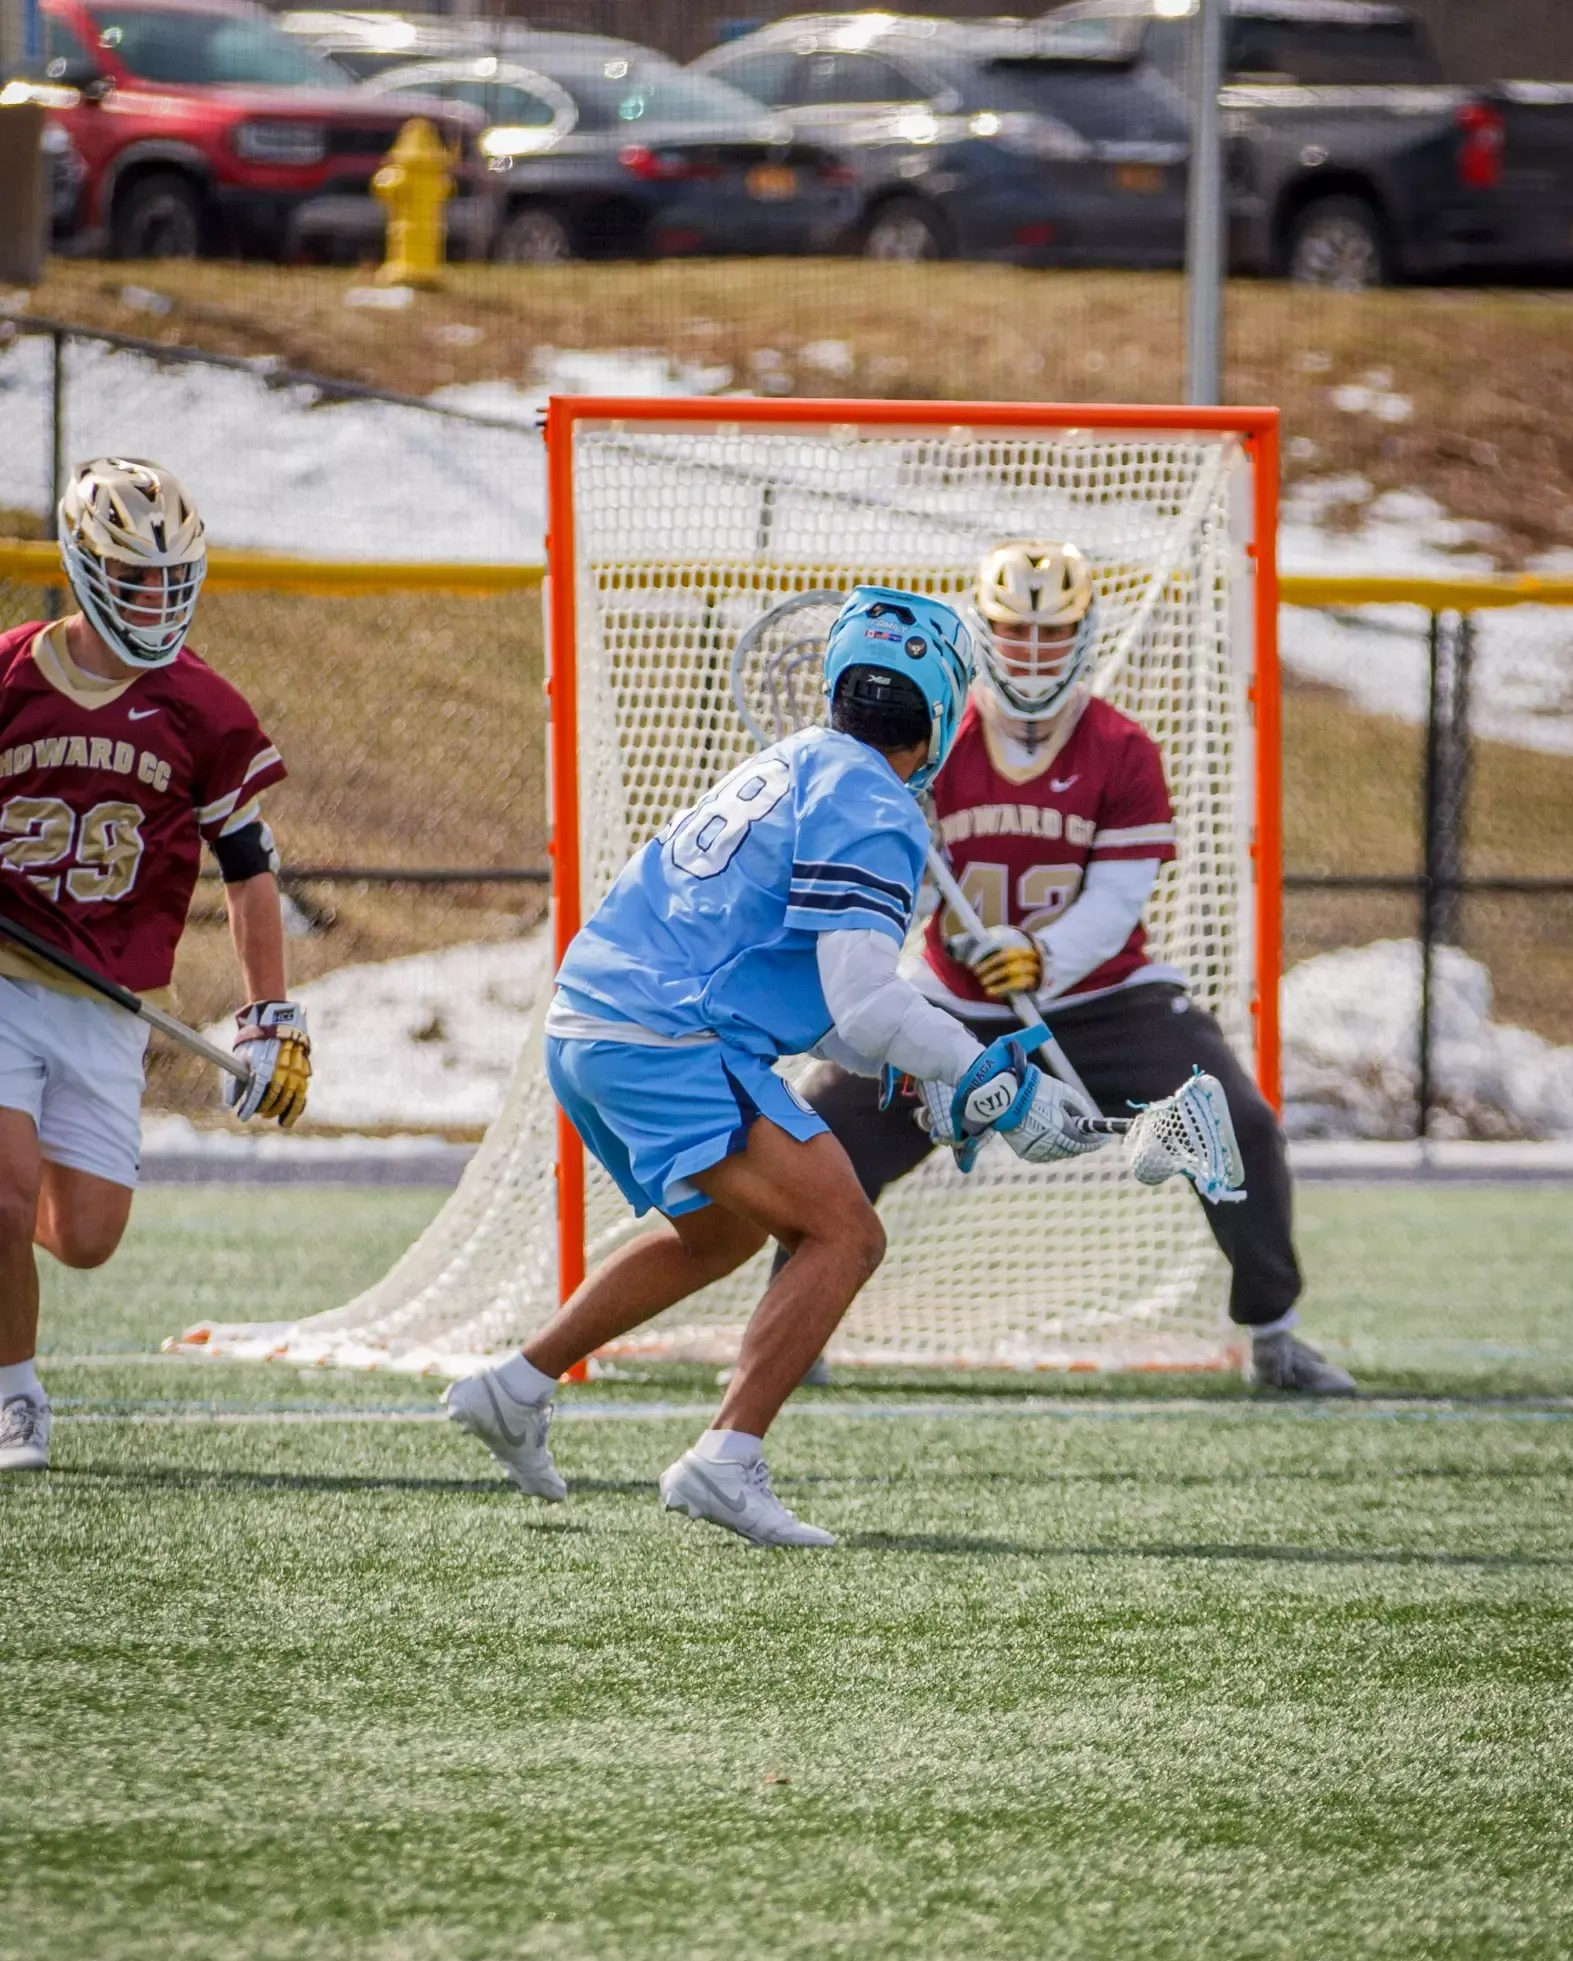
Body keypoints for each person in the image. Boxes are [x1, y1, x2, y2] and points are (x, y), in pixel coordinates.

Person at [443, 587, 1104, 1546]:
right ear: (944, 713)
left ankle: (515, 1388)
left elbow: (809, 1000)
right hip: (668, 1037)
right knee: (847, 1235)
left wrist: (924, 1072)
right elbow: (868, 1001)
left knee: (721, 1237)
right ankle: (726, 1460)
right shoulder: (874, 805)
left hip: (591, 1025)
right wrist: (991, 1083)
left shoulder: (794, 762)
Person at [786, 542, 1353, 1396]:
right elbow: (893, 892)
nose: (1034, 652)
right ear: (983, 634)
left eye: (1054, 634)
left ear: (1086, 636)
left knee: (1239, 1122)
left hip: (1107, 999)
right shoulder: (937, 740)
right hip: (953, 1000)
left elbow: (1118, 899)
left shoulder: (1122, 748)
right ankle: (793, 1325)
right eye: (1015, 632)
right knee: (821, 1133)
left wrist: (1043, 956)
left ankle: (1274, 1334)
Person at [0, 458, 313, 1473]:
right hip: (4, 978)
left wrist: (270, 1013)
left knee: (83, 1236)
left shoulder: (199, 708)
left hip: (108, 1004)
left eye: (174, 580)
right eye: (138, 579)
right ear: (88, 571)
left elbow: (249, 865)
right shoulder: (9, 679)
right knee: (2, 1201)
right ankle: (15, 1397)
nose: (159, 600)